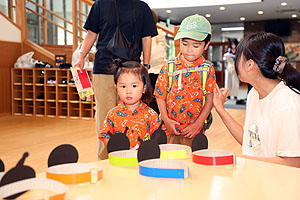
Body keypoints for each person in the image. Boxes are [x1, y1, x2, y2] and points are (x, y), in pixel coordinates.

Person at [75, 0, 158, 160]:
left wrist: (146, 65)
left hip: (131, 70)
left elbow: (146, 38)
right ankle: (104, 159)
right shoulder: (100, 4)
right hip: (103, 67)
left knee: (130, 115)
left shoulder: (142, 7)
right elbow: (92, 34)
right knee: (104, 116)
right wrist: (81, 57)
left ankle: (129, 156)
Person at [213, 32, 300, 168]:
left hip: (279, 186)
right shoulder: (254, 93)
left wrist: (239, 159)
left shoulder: (286, 101)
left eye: (238, 57)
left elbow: (293, 163)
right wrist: (220, 109)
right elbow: (251, 143)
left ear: (249, 65)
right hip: (256, 180)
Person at [154, 14, 217, 147]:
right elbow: (160, 95)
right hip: (169, 130)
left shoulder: (207, 69)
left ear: (206, 45)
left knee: (193, 163)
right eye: (185, 43)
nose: (189, 50)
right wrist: (166, 120)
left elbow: (210, 99)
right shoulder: (169, 66)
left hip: (195, 131)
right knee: (169, 161)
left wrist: (198, 124)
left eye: (196, 45)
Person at [99, 59, 161, 154]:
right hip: (120, 162)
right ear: (116, 87)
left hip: (142, 161)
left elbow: (158, 139)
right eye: (123, 86)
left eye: (134, 86)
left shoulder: (151, 115)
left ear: (144, 88)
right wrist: (115, 151)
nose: (128, 91)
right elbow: (105, 136)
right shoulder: (112, 114)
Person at [148, 10, 169, 113]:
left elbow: (158, 55)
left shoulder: (159, 33)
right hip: (147, 70)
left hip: (157, 70)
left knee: (157, 98)